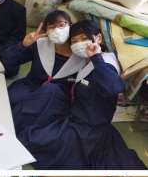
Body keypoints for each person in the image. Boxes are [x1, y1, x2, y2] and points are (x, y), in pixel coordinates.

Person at [18, 19, 146, 169]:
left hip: (88, 129)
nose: (79, 44)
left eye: (84, 38)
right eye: (75, 41)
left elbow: (114, 87)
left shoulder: (106, 63)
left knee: (35, 142)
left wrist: (96, 58)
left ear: (98, 38)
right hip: (76, 116)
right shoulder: (83, 60)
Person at [3, 10, 84, 139]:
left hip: (57, 97)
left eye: (61, 25)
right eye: (51, 27)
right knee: (9, 100)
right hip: (31, 86)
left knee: (42, 123)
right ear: (46, 31)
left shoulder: (80, 52)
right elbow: (8, 61)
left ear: (70, 25)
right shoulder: (40, 44)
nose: (57, 30)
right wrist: (23, 45)